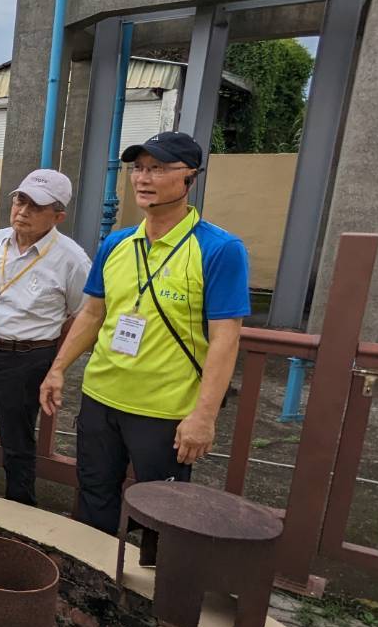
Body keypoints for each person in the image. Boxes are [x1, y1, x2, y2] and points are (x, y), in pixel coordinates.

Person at [41, 132, 249, 533]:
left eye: (158, 168)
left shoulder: (219, 249)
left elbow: (226, 338)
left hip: (165, 410)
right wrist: (58, 368)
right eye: (138, 168)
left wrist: (204, 415)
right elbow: (92, 314)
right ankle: (90, 582)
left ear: (189, 177)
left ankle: (154, 590)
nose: (143, 178)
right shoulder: (118, 243)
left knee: (164, 511)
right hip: (102, 396)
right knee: (93, 494)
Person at [0, 170, 92, 505]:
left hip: (25, 359)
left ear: (58, 215)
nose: (23, 211)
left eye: (36, 206)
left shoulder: (72, 260)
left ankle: (19, 515)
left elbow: (85, 315)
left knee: (16, 442)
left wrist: (56, 363)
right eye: (20, 200)